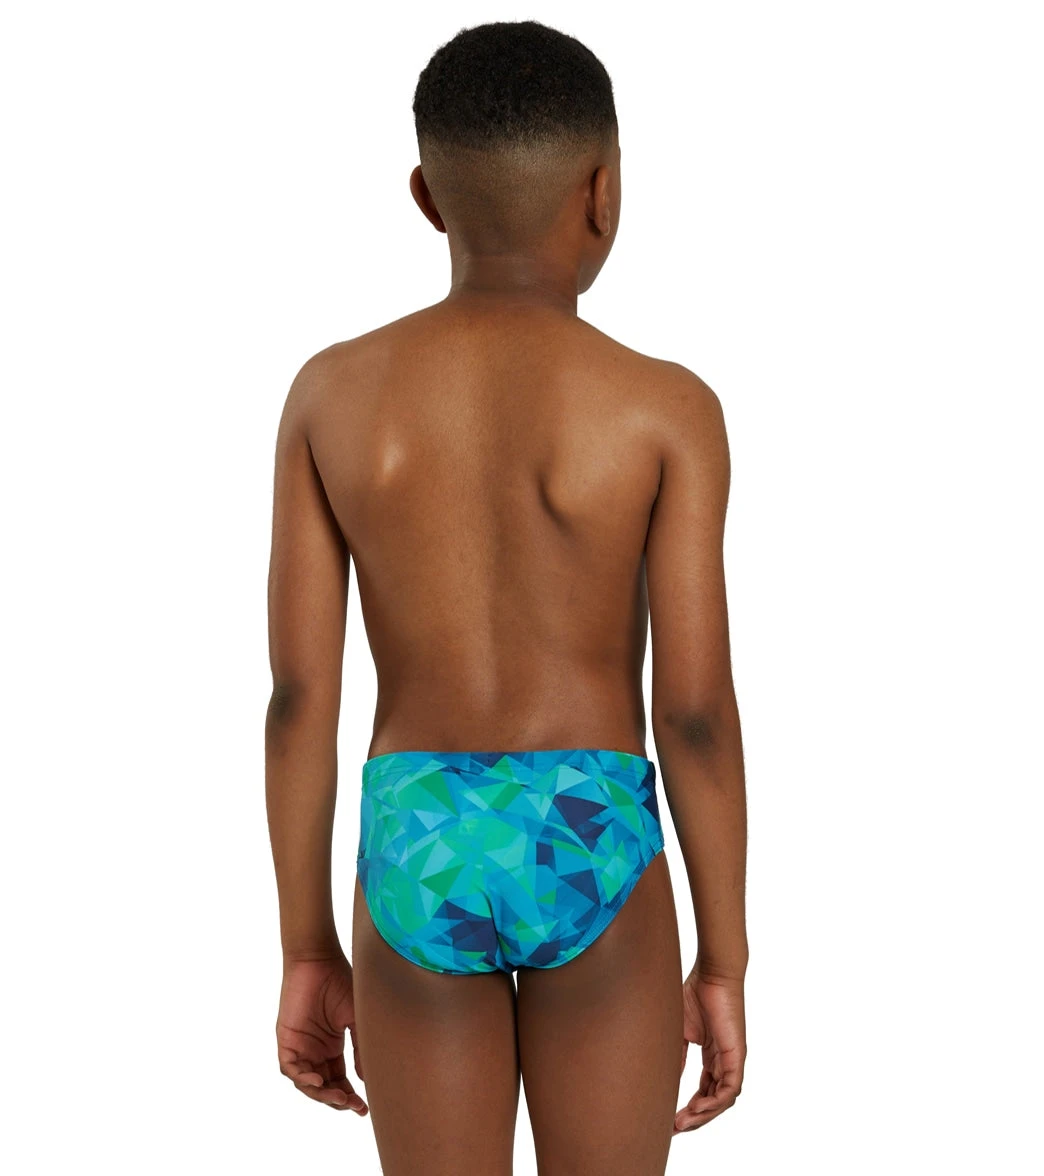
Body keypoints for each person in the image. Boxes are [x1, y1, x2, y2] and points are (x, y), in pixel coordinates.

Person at [265, 19, 748, 1175]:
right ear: (604, 192)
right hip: (588, 824)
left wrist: (307, 948)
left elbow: (297, 701)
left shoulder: (332, 395)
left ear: (428, 196)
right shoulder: (665, 408)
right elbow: (692, 713)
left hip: (417, 831)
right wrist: (723, 961)